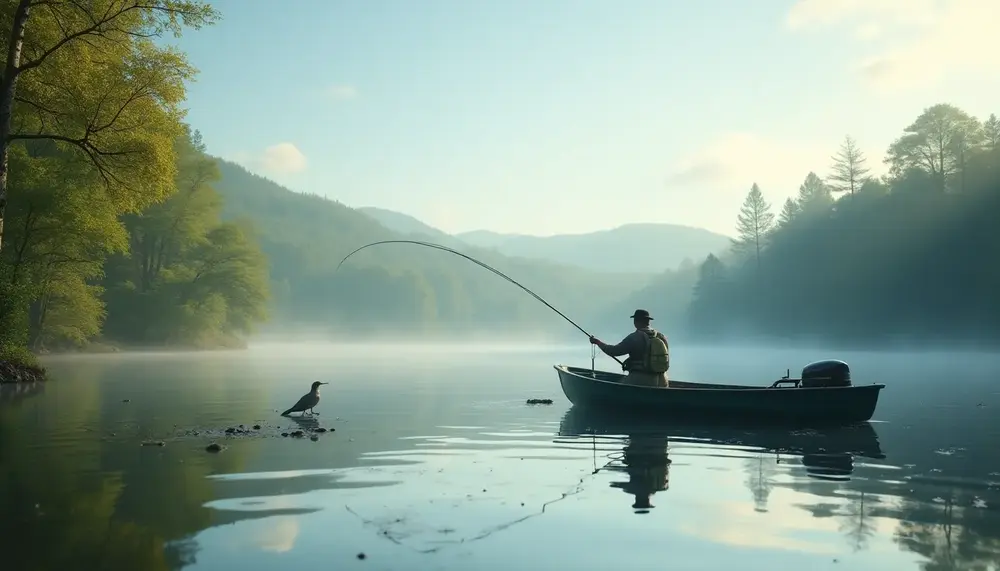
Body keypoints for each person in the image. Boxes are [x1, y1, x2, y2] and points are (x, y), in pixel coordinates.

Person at [589, 309, 670, 387]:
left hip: (641, 380)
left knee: (617, 388)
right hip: (663, 381)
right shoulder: (661, 337)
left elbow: (614, 351)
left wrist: (597, 342)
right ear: (648, 322)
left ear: (635, 322)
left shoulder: (634, 337)